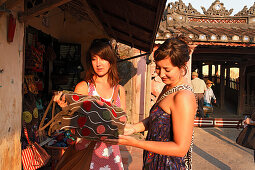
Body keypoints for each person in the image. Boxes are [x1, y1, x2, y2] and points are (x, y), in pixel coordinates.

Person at [105, 36, 197, 169]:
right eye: (158, 68)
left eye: (167, 69)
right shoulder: (169, 87)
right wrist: (132, 128)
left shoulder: (183, 96)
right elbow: (156, 119)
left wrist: (136, 143)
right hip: (154, 160)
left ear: (182, 67)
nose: (161, 74)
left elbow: (180, 148)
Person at [54, 38, 126, 169]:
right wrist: (66, 108)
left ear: (111, 60)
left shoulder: (120, 90)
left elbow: (122, 126)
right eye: (94, 59)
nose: (98, 64)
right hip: (86, 153)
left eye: (103, 58)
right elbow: (74, 126)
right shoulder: (84, 88)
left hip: (112, 155)